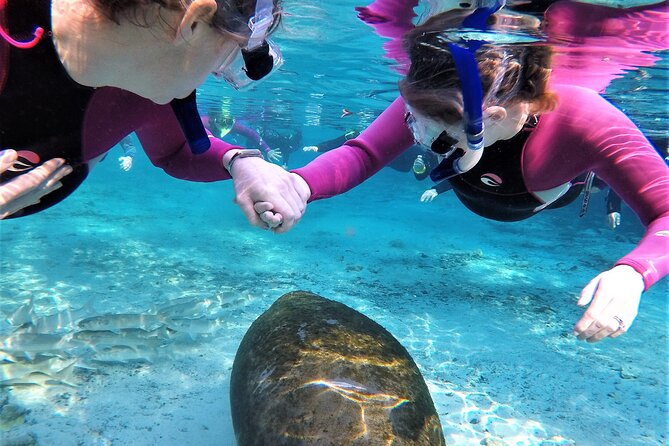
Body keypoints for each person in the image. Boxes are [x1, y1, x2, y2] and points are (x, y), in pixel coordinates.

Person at [242, 1, 669, 343]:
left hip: (548, 193)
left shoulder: (582, 121)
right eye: (414, 118)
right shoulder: (438, 95)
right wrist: (300, 184)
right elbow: (364, 153)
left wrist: (634, 273)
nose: (416, 132)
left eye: (433, 129)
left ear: (493, 116)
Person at [0, 0, 307, 224]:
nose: (212, 76)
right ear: (193, 23)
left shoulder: (146, 85)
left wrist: (240, 163)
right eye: (225, 59)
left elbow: (177, 150)